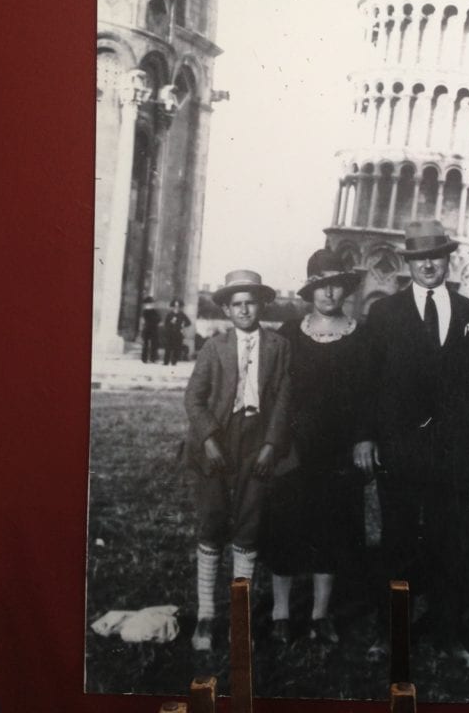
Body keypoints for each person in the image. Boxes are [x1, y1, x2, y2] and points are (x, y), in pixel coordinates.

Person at [354, 219, 469, 665]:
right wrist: (366, 437)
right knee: (399, 542)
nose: (429, 265)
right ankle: (390, 632)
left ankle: (450, 633)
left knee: (451, 542)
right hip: (400, 448)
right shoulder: (385, 314)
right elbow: (368, 382)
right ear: (409, 263)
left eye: (437, 257)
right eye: (420, 258)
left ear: (448, 260)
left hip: (452, 450)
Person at [262, 250, 370, 646]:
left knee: (333, 528)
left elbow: (368, 396)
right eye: (321, 284)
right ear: (310, 289)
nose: (329, 292)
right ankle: (280, 613)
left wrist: (363, 436)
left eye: (337, 283)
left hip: (339, 450)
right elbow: (272, 388)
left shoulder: (362, 333)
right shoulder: (290, 332)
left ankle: (320, 614)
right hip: (293, 447)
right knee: (285, 526)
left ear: (346, 288)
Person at [183, 270, 292, 652]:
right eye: (237, 304)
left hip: (256, 441)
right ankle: (206, 614)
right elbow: (194, 399)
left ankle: (239, 619)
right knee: (212, 523)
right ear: (227, 309)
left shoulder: (278, 346)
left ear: (261, 305)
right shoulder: (215, 347)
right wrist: (209, 438)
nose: (245, 310)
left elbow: (282, 400)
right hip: (219, 441)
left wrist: (270, 446)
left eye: (251, 302)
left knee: (248, 526)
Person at [163, 298, 191, 366]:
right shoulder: (169, 314)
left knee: (177, 348)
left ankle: (174, 362)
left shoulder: (182, 314)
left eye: (178, 306)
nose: (176, 308)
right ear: (173, 306)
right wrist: (171, 322)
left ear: (180, 307)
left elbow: (188, 322)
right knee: (168, 348)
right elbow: (166, 324)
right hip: (170, 333)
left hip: (178, 333)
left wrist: (183, 325)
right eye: (175, 306)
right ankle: (166, 362)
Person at [140, 295, 160, 363]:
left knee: (154, 344)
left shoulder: (154, 311)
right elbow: (143, 320)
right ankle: (144, 358)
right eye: (148, 304)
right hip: (147, 329)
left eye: (151, 304)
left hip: (153, 329)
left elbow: (159, 319)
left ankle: (153, 358)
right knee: (145, 344)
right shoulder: (145, 312)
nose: (149, 305)